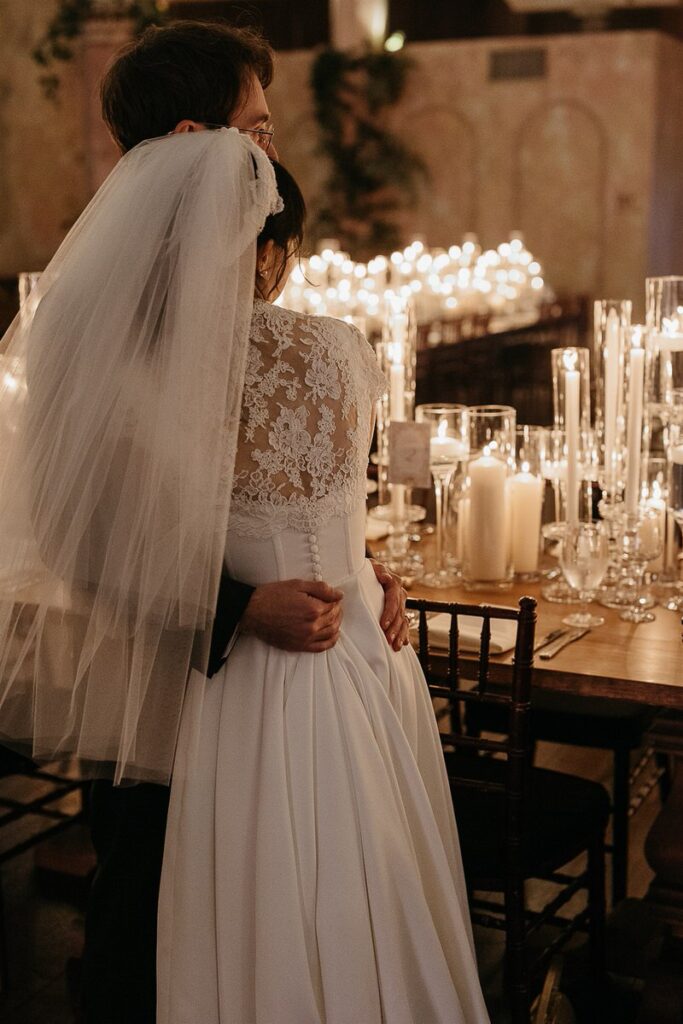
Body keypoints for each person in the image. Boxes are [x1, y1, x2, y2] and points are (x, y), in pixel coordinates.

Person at [0, 21, 406, 1024]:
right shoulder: (99, 321)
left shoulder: (257, 314)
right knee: (150, 945)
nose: (271, 155)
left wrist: (359, 564)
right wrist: (237, 606)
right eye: (256, 129)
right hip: (167, 708)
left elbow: (270, 486)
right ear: (199, 135)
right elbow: (74, 531)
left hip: (293, 712)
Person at [156, 160, 490, 1023]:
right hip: (364, 650)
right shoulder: (342, 347)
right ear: (270, 255)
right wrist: (362, 565)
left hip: (255, 681)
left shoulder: (158, 369)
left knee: (266, 910)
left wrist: (353, 561)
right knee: (380, 891)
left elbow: (157, 542)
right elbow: (332, 506)